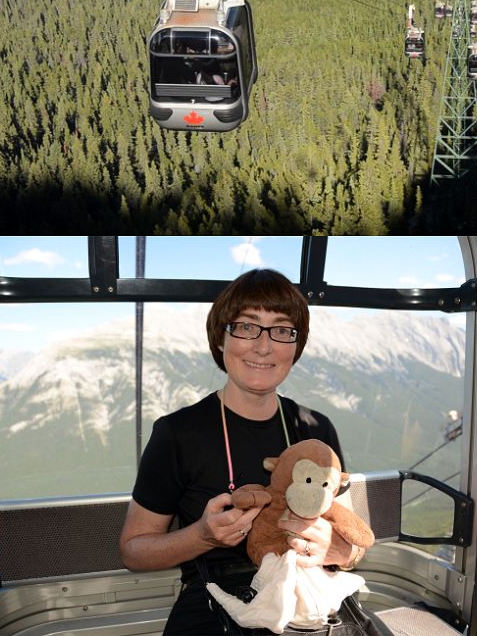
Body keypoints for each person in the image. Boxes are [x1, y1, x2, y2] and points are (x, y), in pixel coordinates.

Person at [118, 269, 364, 634]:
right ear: (221, 338)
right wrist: (202, 535)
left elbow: (352, 538)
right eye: (247, 326)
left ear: (296, 346)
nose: (263, 346)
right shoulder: (177, 433)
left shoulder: (315, 430)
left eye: (282, 330)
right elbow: (133, 551)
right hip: (216, 600)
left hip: (304, 596)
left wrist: (336, 551)